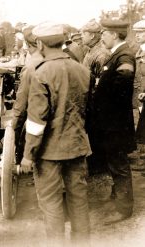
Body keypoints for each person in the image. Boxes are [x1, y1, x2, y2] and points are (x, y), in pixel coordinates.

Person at [20, 22, 91, 245]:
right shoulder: (82, 70)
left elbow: (36, 121)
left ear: (40, 44)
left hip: (49, 152)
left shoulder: (41, 73)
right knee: (79, 201)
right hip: (77, 146)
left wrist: (28, 155)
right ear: (62, 42)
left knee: (51, 204)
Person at [91, 19, 136, 224]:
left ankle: (124, 209)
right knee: (113, 162)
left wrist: (103, 102)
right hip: (111, 123)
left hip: (115, 123)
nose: (102, 37)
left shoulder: (124, 56)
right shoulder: (116, 55)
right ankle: (117, 198)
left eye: (104, 34)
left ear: (115, 35)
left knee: (119, 164)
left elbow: (122, 88)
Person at [80, 19, 111, 175]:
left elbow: (100, 82)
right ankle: (95, 163)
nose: (81, 36)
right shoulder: (90, 51)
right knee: (91, 132)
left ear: (92, 36)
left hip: (96, 100)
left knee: (97, 132)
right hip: (89, 98)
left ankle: (99, 165)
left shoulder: (101, 54)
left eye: (83, 34)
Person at [11, 25, 43, 164]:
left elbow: (21, 105)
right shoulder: (69, 63)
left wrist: (13, 129)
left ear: (27, 45)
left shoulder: (30, 67)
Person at [133, 20, 145, 154]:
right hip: (139, 94)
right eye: (136, 33)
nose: (137, 35)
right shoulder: (138, 51)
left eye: (141, 32)